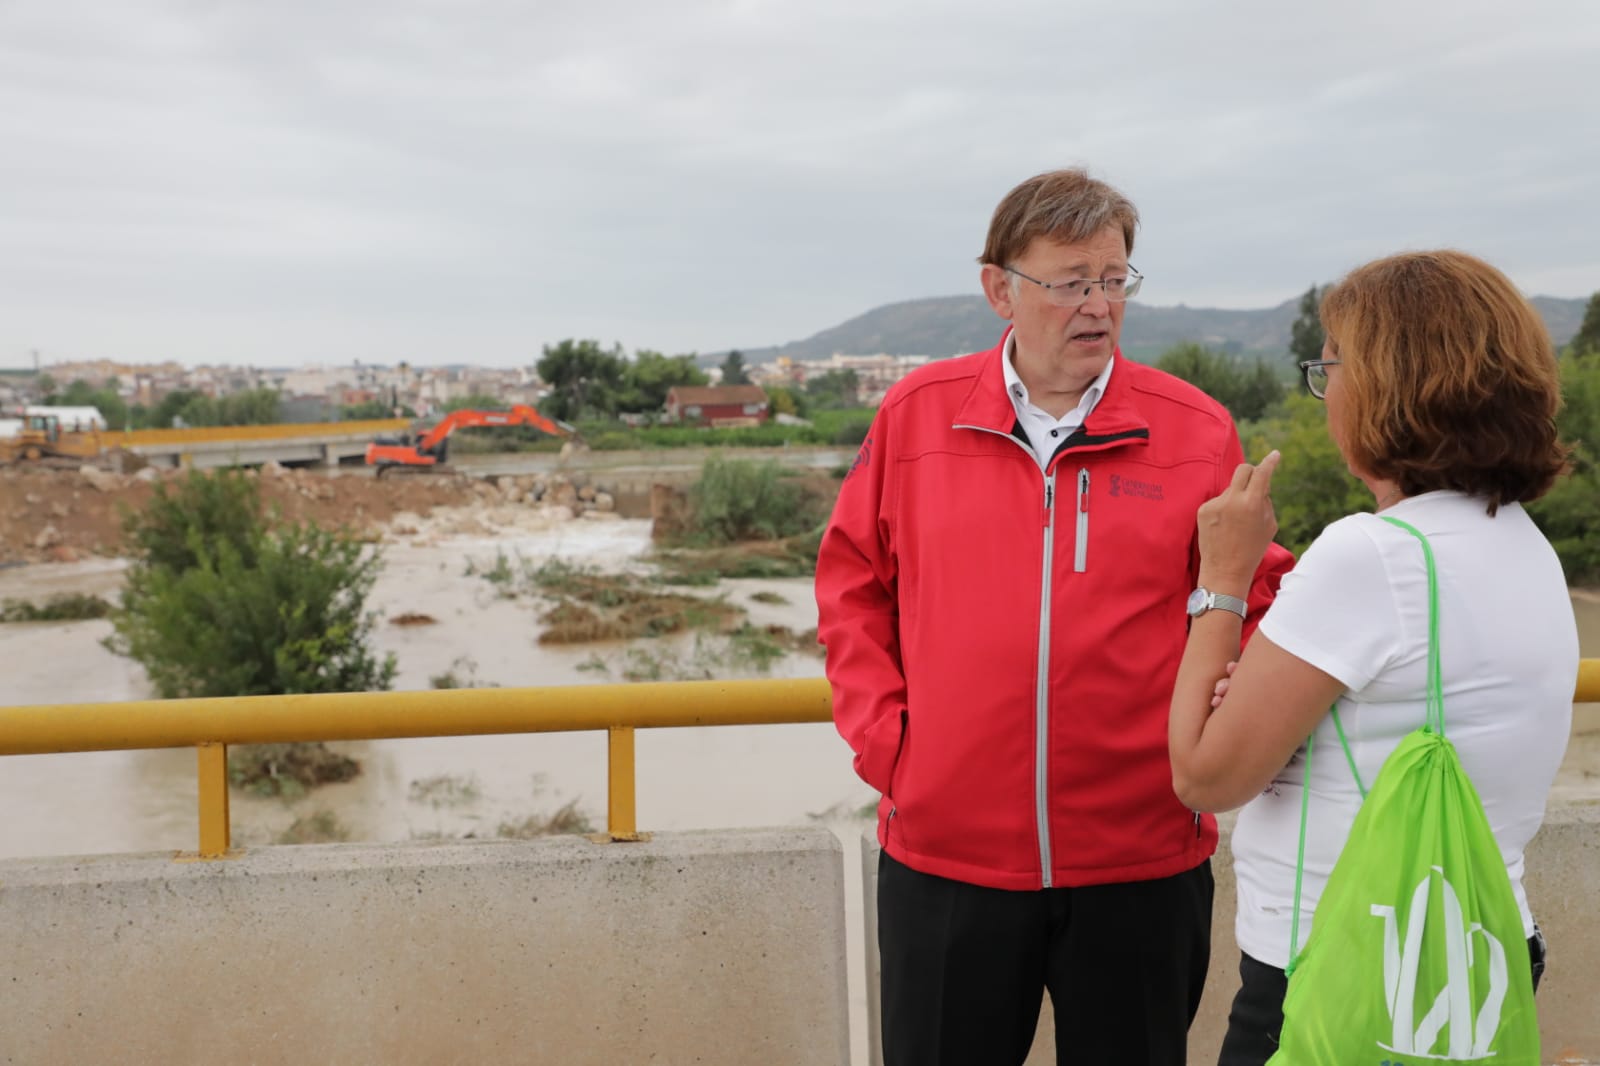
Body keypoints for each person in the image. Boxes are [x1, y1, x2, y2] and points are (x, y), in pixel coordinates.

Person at [815, 167, 1294, 1065]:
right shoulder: (918, 414)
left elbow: (1253, 600)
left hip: (1143, 860)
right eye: (1069, 281)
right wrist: (894, 749)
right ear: (1000, 287)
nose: (1097, 306)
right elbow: (850, 587)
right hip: (947, 857)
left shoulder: (1194, 429)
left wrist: (1212, 748)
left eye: (1113, 281)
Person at [1166, 249, 1576, 1066]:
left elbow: (1205, 775)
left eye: (1335, 366)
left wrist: (1223, 580)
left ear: (1391, 384)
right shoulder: (1524, 544)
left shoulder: (1372, 557)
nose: (1329, 392)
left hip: (1344, 967)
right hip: (1478, 951)